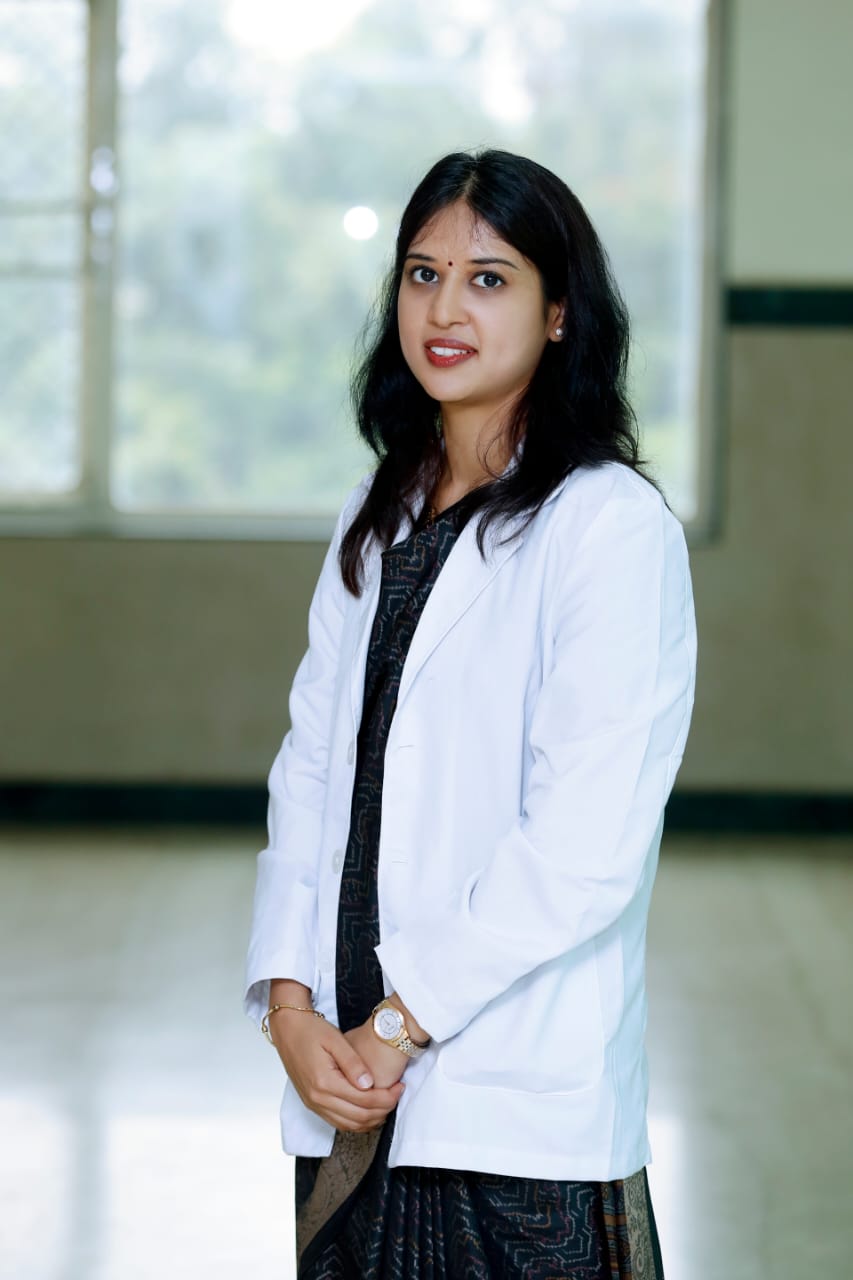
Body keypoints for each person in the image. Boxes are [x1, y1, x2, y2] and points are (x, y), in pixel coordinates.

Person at [244, 148, 696, 1279]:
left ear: (558, 312)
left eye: (489, 278)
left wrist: (399, 1023)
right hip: (347, 1073)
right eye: (422, 273)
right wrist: (292, 1007)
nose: (444, 309)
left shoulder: (608, 527)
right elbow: (311, 771)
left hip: (506, 1094)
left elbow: (584, 843)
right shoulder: (378, 505)